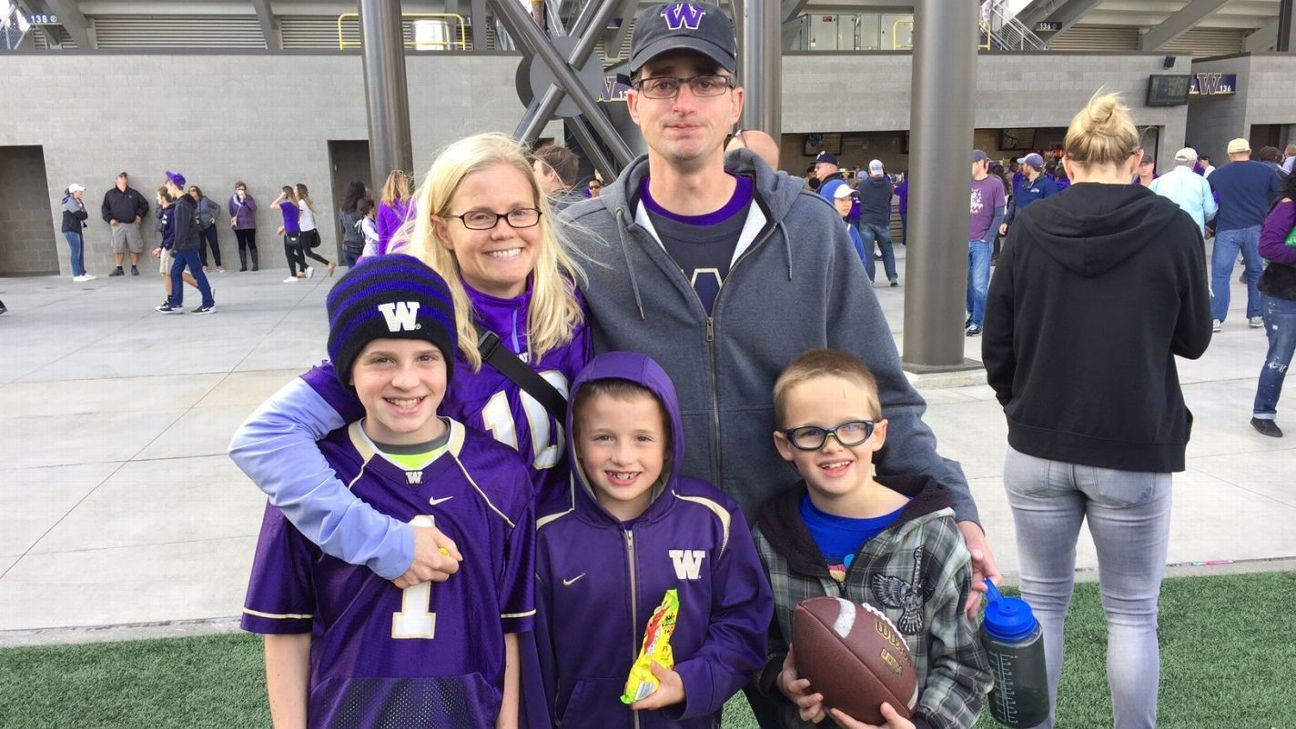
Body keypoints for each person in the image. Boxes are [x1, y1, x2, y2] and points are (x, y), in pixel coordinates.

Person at [561, 4, 992, 680]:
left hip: (800, 561)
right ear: (632, 100)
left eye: (704, 81)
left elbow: (884, 395)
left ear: (735, 102)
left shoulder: (811, 231)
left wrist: (957, 507)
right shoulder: (583, 241)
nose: (683, 101)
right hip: (650, 561)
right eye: (662, 81)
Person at [228, 132, 588, 591]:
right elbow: (265, 438)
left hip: (560, 570)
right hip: (463, 570)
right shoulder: (417, 323)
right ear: (441, 228)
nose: (504, 230)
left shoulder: (570, 305)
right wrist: (381, 541)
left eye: (520, 212)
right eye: (479, 216)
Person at [982, 92, 1212, 729]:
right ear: (1137, 160)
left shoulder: (1030, 226)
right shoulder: (1173, 228)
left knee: (1046, 607)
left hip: (1037, 446)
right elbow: (1194, 339)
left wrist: (1020, 408)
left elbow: (995, 342)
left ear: (1069, 160)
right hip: (1132, 443)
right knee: (1133, 613)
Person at [241, 255, 535, 728]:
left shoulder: (500, 476)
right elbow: (286, 629)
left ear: (448, 364)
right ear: (346, 372)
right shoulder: (312, 477)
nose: (405, 379)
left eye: (426, 357)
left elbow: (510, 626)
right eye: (381, 359)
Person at [754, 349, 992, 729]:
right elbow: (756, 642)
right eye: (811, 433)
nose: (833, 446)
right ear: (786, 445)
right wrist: (781, 680)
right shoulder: (771, 537)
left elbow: (966, 665)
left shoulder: (932, 534)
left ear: (878, 433)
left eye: (851, 428)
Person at [534, 351, 771, 728]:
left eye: (643, 438)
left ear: (669, 443)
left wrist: (688, 684)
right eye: (603, 437)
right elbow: (535, 657)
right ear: (577, 442)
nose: (623, 456)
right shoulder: (547, 533)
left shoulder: (711, 518)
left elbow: (743, 624)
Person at [1208, 137, 1284, 331]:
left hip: (1227, 228)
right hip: (1257, 228)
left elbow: (1209, 201)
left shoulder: (1217, 175)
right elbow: (1280, 193)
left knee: (1220, 274)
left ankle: (1216, 317)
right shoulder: (1266, 171)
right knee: (1255, 272)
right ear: (1249, 152)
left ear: (1229, 155)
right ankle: (1256, 315)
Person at [1251, 171, 1296, 438]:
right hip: (1283, 295)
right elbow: (1268, 246)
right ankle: (1263, 413)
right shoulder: (1288, 205)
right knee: (1279, 356)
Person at [155, 171, 216, 315]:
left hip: (187, 245)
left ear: (173, 186)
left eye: (168, 186)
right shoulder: (183, 203)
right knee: (175, 272)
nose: (168, 190)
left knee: (197, 273)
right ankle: (176, 303)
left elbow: (181, 229)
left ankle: (208, 303)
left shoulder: (182, 205)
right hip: (186, 244)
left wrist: (175, 248)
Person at [966, 150, 1006, 337]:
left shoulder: (995, 185)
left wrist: (988, 237)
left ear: (981, 163)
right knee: (966, 283)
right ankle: (974, 313)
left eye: (972, 163)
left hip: (981, 241)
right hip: (965, 239)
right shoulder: (965, 183)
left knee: (979, 283)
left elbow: (999, 213)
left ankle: (979, 320)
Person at [1148, 147, 1217, 236]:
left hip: (1164, 230)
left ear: (1175, 162)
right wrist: (1203, 222)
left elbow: (1149, 205)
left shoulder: (1158, 181)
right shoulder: (1202, 182)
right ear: (1193, 163)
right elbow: (1210, 210)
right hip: (1192, 230)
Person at [150, 185, 199, 309]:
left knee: (173, 272)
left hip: (174, 246)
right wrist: (161, 247)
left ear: (163, 197)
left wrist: (168, 247)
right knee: (172, 272)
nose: (156, 198)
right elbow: (166, 232)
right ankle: (173, 300)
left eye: (158, 196)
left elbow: (174, 232)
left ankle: (174, 300)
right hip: (169, 245)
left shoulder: (174, 210)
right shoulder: (166, 211)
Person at [857, 159, 899, 286]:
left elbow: (860, 197)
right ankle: (892, 277)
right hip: (882, 221)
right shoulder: (887, 184)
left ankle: (870, 279)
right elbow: (889, 197)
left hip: (866, 221)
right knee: (887, 249)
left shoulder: (863, 185)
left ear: (869, 171)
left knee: (868, 251)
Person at [101, 171, 149, 276]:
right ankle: (119, 268)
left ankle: (134, 268)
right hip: (117, 225)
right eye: (121, 177)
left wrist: (139, 215)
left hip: (132, 224)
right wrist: (110, 219)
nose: (124, 179)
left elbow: (145, 205)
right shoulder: (110, 194)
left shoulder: (134, 193)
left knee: (134, 246)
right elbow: (104, 208)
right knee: (118, 247)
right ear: (116, 180)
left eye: (125, 177)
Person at [999, 152, 1056, 239]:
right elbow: (1014, 202)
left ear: (1029, 167)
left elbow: (1052, 212)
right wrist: (1006, 221)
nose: (1022, 167)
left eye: (1024, 164)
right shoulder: (1022, 182)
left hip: (1036, 235)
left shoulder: (1048, 185)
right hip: (1018, 231)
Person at [295, 183, 336, 277]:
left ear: (299, 192)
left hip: (305, 232)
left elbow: (297, 218)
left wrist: (286, 225)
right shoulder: (305, 201)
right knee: (298, 248)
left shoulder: (301, 203)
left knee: (308, 253)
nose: (294, 191)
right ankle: (302, 272)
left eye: (295, 189)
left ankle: (329, 263)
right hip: (308, 230)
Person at [532, 144, 584, 211]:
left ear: (551, 175)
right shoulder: (585, 204)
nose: (532, 175)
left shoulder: (546, 211)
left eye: (535, 170)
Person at [273, 185, 309, 283]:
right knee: (290, 253)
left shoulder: (287, 204)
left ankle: (301, 271)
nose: (280, 194)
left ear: (285, 194)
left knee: (289, 254)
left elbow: (272, 206)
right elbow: (297, 219)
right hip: (295, 230)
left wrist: (280, 197)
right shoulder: (295, 205)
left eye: (282, 193)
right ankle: (300, 271)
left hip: (290, 231)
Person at [61, 183, 94, 282]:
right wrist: (84, 213)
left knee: (80, 252)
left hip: (77, 229)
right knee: (76, 252)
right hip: (70, 230)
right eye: (80, 191)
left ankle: (82, 273)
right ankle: (76, 275)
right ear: (74, 192)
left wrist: (84, 213)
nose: (82, 193)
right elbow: (81, 215)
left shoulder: (77, 201)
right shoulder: (69, 201)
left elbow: (83, 214)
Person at [377, 170, 414, 255]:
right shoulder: (411, 203)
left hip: (393, 250)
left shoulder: (384, 205)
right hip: (410, 248)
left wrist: (381, 257)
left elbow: (383, 236)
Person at [833, 183, 869, 270]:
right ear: (830, 200)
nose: (847, 204)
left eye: (849, 199)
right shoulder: (820, 231)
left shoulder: (851, 230)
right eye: (842, 200)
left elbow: (861, 263)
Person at [189, 185, 224, 272]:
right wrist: (194, 220)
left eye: (193, 190)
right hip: (198, 227)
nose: (192, 192)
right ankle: (204, 265)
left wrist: (214, 217)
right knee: (201, 246)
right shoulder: (189, 203)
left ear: (197, 191)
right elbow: (188, 214)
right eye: (190, 191)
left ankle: (218, 265)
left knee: (214, 245)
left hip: (209, 226)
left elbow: (217, 207)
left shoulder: (205, 200)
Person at [228, 181, 259, 272]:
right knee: (241, 244)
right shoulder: (232, 199)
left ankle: (255, 265)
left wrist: (245, 199)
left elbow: (254, 208)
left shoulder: (249, 198)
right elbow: (231, 211)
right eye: (239, 189)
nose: (241, 191)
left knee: (251, 243)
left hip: (249, 224)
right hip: (239, 225)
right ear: (236, 190)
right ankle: (243, 265)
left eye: (242, 189)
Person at [338, 180, 367, 268]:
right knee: (361, 275)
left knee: (352, 274)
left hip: (346, 246)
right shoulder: (362, 207)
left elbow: (342, 229)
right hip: (359, 246)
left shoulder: (342, 209)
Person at [894, 174, 908, 246]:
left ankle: (905, 242)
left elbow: (897, 191)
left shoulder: (905, 184)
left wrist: (894, 188)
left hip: (904, 209)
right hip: (910, 209)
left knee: (905, 226)